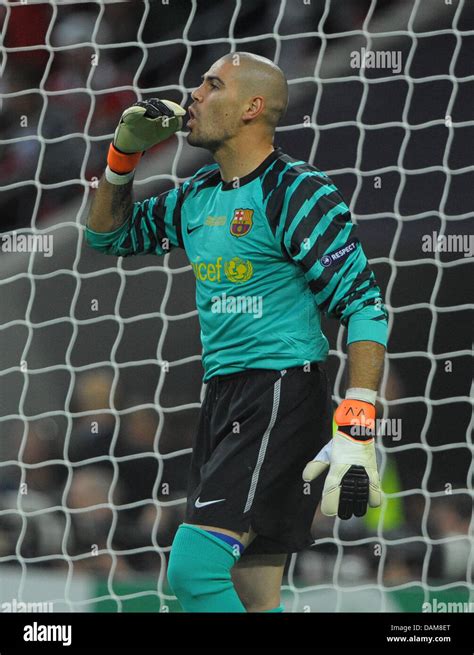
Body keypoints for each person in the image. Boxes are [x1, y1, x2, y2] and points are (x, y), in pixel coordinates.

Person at [85, 52, 388, 612]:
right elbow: (107, 236)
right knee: (253, 594)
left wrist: (357, 425)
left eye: (212, 84)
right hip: (225, 397)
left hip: (279, 393)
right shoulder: (197, 195)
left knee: (195, 572)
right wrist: (122, 155)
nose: (193, 94)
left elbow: (365, 305)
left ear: (252, 107)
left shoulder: (298, 192)